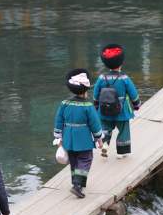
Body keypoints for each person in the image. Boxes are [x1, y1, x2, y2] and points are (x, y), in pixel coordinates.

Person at [53, 69, 104, 199]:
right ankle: (77, 185)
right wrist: (99, 138)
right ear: (85, 91)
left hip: (68, 138)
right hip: (83, 138)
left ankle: (76, 181)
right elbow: (95, 123)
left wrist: (58, 136)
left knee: (74, 160)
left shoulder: (64, 103)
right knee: (85, 159)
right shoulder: (88, 106)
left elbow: (59, 120)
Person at [93, 44, 141, 159]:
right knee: (123, 130)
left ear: (105, 63)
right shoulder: (124, 78)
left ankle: (104, 144)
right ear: (121, 63)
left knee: (106, 128)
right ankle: (121, 152)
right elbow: (133, 93)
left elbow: (95, 94)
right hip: (122, 110)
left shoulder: (101, 78)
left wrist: (96, 106)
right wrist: (136, 104)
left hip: (104, 109)